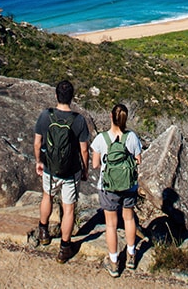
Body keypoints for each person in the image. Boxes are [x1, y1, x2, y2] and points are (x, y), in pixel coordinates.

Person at [34, 79, 90, 263]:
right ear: (72, 98)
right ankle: (65, 248)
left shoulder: (45, 116)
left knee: (47, 197)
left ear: (56, 95)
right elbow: (83, 149)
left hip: (50, 167)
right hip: (70, 171)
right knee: (69, 208)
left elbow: (37, 143)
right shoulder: (78, 120)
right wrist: (85, 170)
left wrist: (38, 161)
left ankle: (43, 231)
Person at [91, 103, 143, 277]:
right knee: (129, 219)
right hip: (128, 185)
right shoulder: (132, 137)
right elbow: (138, 160)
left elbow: (96, 164)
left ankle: (114, 263)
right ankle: (131, 256)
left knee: (111, 225)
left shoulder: (101, 139)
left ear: (110, 117)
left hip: (108, 187)